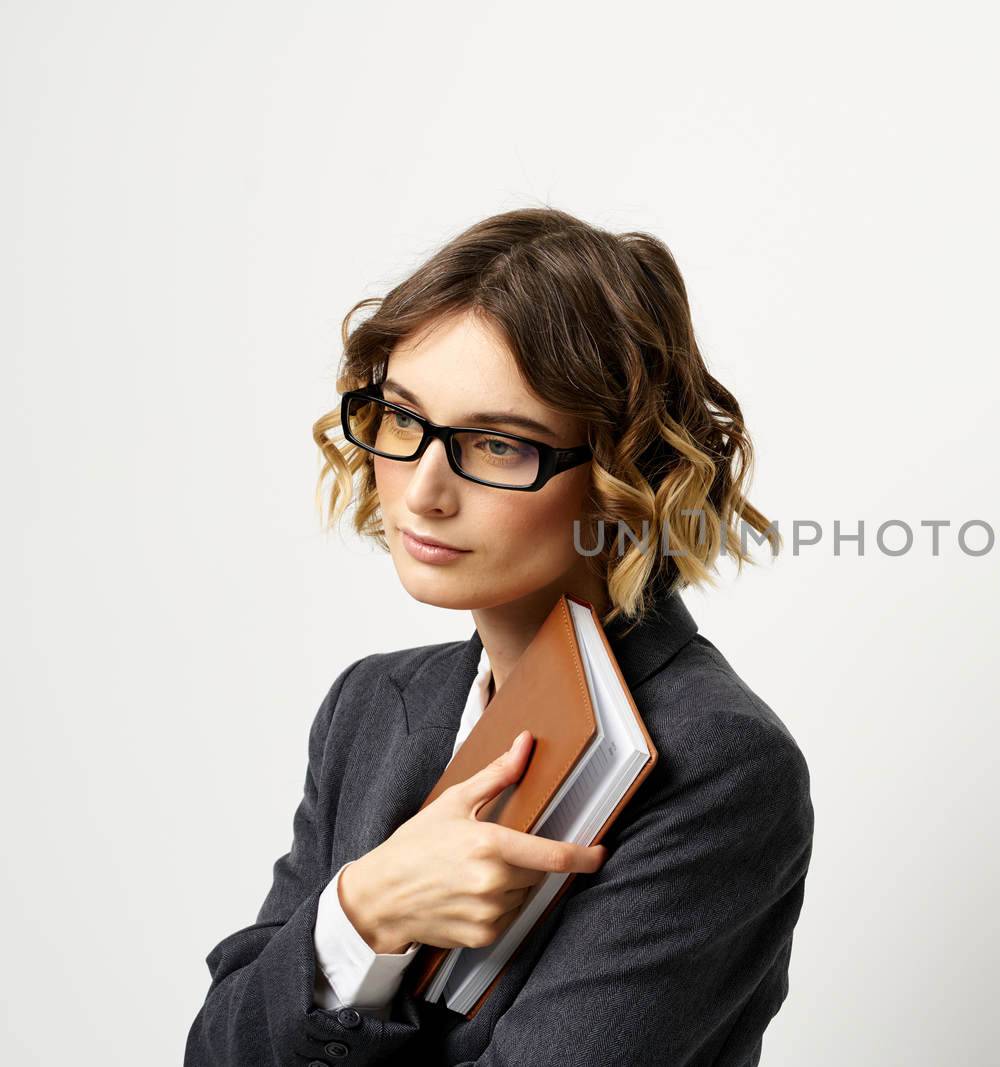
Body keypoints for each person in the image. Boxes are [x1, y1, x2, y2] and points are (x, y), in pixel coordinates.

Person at [184, 207, 813, 1066]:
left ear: (622, 470)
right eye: (403, 421)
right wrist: (364, 912)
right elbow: (217, 1049)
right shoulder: (371, 704)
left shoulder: (719, 760)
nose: (422, 491)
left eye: (496, 443)